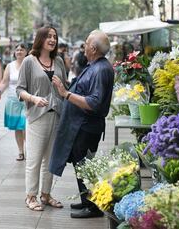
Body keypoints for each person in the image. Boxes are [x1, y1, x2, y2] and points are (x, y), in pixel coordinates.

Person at [49, 30, 114, 218]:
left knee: (85, 167)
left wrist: (65, 93)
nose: (83, 47)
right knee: (81, 166)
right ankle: (87, 201)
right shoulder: (94, 65)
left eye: (86, 43)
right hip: (82, 126)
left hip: (86, 127)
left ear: (93, 48)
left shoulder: (101, 69)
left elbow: (93, 103)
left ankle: (93, 208)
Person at [16, 26, 67, 211]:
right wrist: (34, 98)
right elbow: (19, 89)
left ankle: (46, 194)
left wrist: (62, 87)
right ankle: (31, 196)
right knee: (34, 159)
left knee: (50, 160)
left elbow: (65, 87)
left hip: (57, 115)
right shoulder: (29, 61)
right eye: (49, 36)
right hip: (37, 117)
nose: (52, 40)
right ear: (41, 39)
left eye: (55, 36)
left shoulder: (59, 61)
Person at [0, 43, 28, 161]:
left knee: (25, 125)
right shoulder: (10, 66)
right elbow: (5, 82)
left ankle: (29, 150)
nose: (19, 51)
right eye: (17, 50)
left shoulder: (30, 64)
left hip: (27, 100)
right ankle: (21, 151)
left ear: (26, 52)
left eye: (22, 49)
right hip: (13, 100)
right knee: (17, 127)